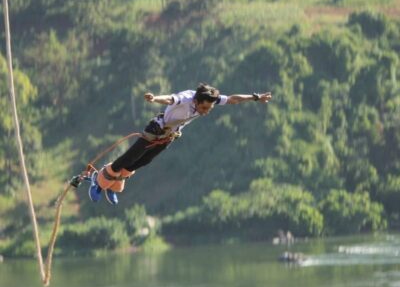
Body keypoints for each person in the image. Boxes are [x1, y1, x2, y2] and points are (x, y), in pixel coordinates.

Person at [89, 83, 272, 204]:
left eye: (209, 108)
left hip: (169, 136)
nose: (206, 111)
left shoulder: (210, 100)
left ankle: (112, 184)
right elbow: (170, 99)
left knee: (142, 162)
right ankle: (98, 182)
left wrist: (255, 97)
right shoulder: (186, 98)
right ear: (196, 101)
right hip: (157, 130)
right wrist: (154, 99)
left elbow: (232, 99)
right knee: (130, 157)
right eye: (203, 108)